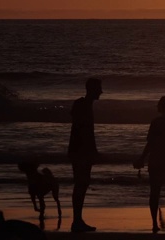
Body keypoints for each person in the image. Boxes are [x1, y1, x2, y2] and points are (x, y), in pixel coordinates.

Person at [135, 94, 165, 234]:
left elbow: (150, 143)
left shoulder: (156, 122)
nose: (156, 106)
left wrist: (142, 158)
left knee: (155, 193)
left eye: (158, 104)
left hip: (156, 160)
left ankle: (154, 223)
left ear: (162, 107)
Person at [68, 78, 102, 232]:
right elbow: (83, 132)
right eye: (99, 88)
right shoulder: (82, 105)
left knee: (82, 184)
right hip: (81, 151)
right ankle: (77, 221)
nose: (101, 91)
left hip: (80, 151)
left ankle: (78, 219)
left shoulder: (83, 105)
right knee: (81, 184)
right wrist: (91, 151)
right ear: (92, 89)